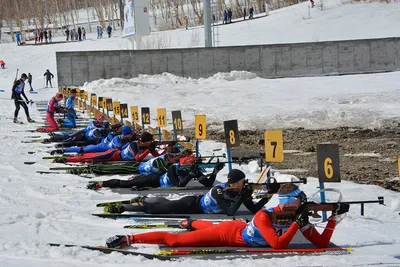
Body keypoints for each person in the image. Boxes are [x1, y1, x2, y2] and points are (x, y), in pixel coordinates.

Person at [105, 184, 350, 250]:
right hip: (230, 234)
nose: (303, 206)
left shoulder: (298, 217)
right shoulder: (265, 217)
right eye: (300, 202)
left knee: (200, 226)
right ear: (287, 205)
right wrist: (295, 226)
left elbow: (320, 243)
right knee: (175, 241)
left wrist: (331, 220)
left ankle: (189, 222)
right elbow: (277, 245)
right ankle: (130, 238)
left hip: (236, 227)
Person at [104, 169, 271, 215]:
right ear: (234, 183)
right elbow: (229, 212)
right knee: (156, 210)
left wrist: (269, 195)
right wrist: (242, 196)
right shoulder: (218, 191)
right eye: (243, 182)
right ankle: (125, 207)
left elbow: (254, 209)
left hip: (196, 205)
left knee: (166, 204)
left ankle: (148, 199)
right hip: (192, 204)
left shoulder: (238, 191)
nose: (245, 184)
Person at [86, 149, 194, 188]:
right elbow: (169, 173)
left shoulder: (171, 162)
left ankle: (99, 177)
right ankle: (94, 169)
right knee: (114, 169)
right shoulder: (161, 161)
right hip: (136, 168)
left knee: (126, 180)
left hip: (146, 175)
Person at [55, 132, 165, 164]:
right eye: (150, 140)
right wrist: (148, 150)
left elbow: (157, 156)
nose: (152, 142)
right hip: (112, 154)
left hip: (115, 156)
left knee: (90, 156)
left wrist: (166, 150)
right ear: (145, 141)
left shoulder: (147, 147)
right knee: (90, 158)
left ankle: (69, 157)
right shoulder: (133, 145)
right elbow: (138, 158)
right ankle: (67, 158)